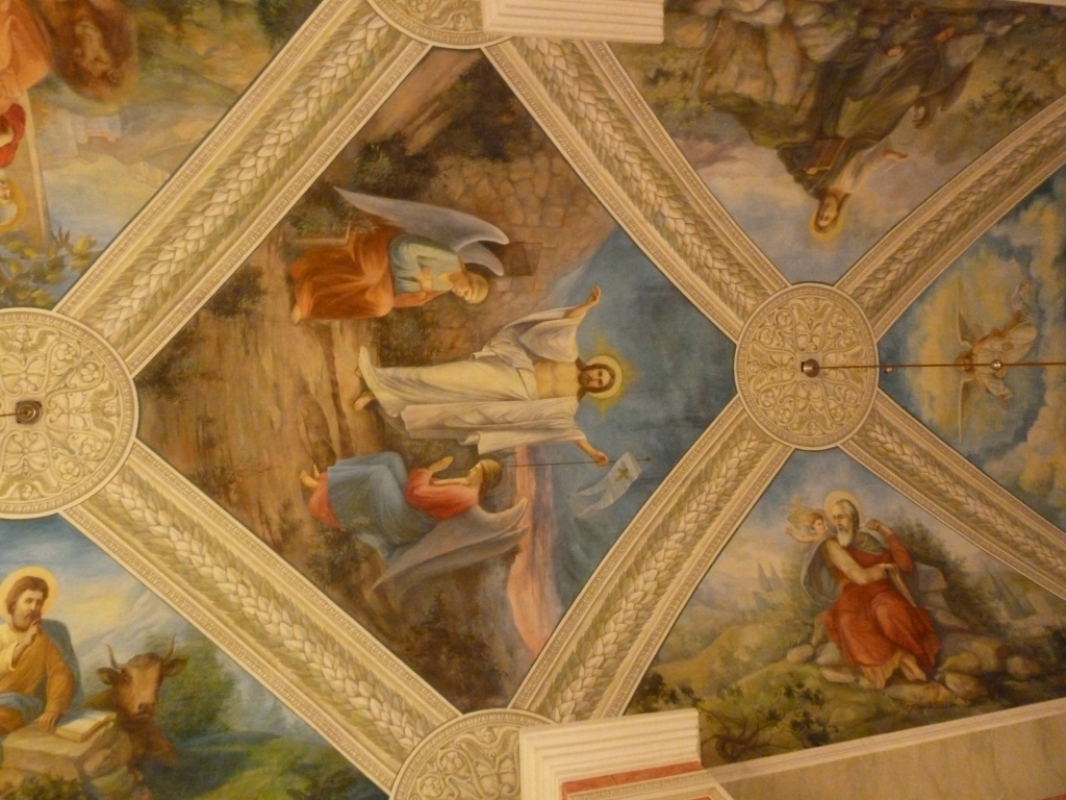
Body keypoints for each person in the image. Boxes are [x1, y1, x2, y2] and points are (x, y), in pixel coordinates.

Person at [355, 287, 617, 465]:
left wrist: (593, 453)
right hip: (505, 373)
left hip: (511, 400)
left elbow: (570, 432)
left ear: (596, 390)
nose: (594, 379)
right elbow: (568, 323)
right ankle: (378, 378)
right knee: (439, 378)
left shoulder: (569, 404)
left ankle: (377, 399)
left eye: (598, 383)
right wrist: (587, 305)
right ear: (595, 367)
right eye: (598, 374)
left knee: (449, 411)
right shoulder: (569, 354)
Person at [301, 453, 528, 594]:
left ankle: (320, 490)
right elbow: (427, 491)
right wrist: (445, 478)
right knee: (391, 460)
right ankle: (327, 478)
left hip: (407, 521)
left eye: (477, 470)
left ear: (484, 479)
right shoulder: (466, 487)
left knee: (379, 476)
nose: (472, 469)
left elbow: (416, 494)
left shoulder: (465, 496)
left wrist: (432, 469)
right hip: (412, 511)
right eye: (475, 466)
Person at [802, 492, 940, 690]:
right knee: (849, 622)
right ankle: (901, 661)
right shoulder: (832, 545)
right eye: (834, 518)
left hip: (880, 591)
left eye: (841, 517)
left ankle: (917, 659)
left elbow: (905, 566)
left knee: (888, 611)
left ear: (854, 518)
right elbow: (856, 574)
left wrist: (887, 533)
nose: (837, 523)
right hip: (851, 596)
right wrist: (874, 571)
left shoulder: (869, 541)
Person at [289, 224, 489, 322]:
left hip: (389, 278)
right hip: (385, 246)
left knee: (381, 306)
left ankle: (315, 307)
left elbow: (406, 294)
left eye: (464, 298)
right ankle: (307, 292)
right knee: (369, 275)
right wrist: (417, 277)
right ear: (470, 279)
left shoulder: (444, 287)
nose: (460, 295)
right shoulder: (449, 258)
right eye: (467, 292)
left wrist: (421, 288)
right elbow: (404, 246)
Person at [0, 570, 77, 735]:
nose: (34, 608)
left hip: (20, 706)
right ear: (13, 603)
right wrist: (23, 645)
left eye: (39, 603)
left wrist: (54, 706)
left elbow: (59, 672)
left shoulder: (44, 636)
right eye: (28, 601)